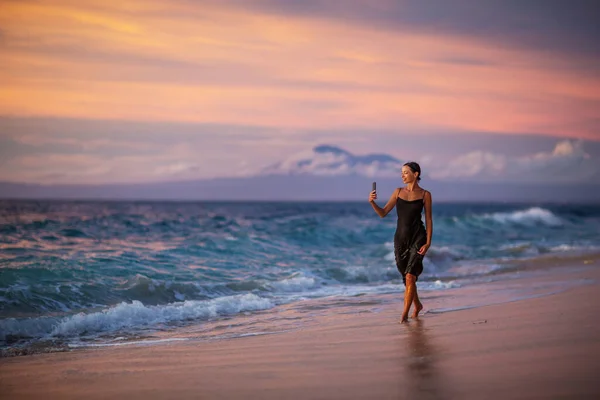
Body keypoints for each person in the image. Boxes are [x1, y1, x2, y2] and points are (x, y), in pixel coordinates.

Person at [369, 162, 433, 323]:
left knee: (411, 276)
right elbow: (383, 213)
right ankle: (417, 305)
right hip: (400, 239)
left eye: (405, 172)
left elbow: (429, 220)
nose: (402, 175)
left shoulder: (425, 195)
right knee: (407, 277)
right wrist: (372, 202)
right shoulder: (398, 192)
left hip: (418, 237)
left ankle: (404, 316)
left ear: (416, 174)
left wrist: (428, 242)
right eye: (401, 172)